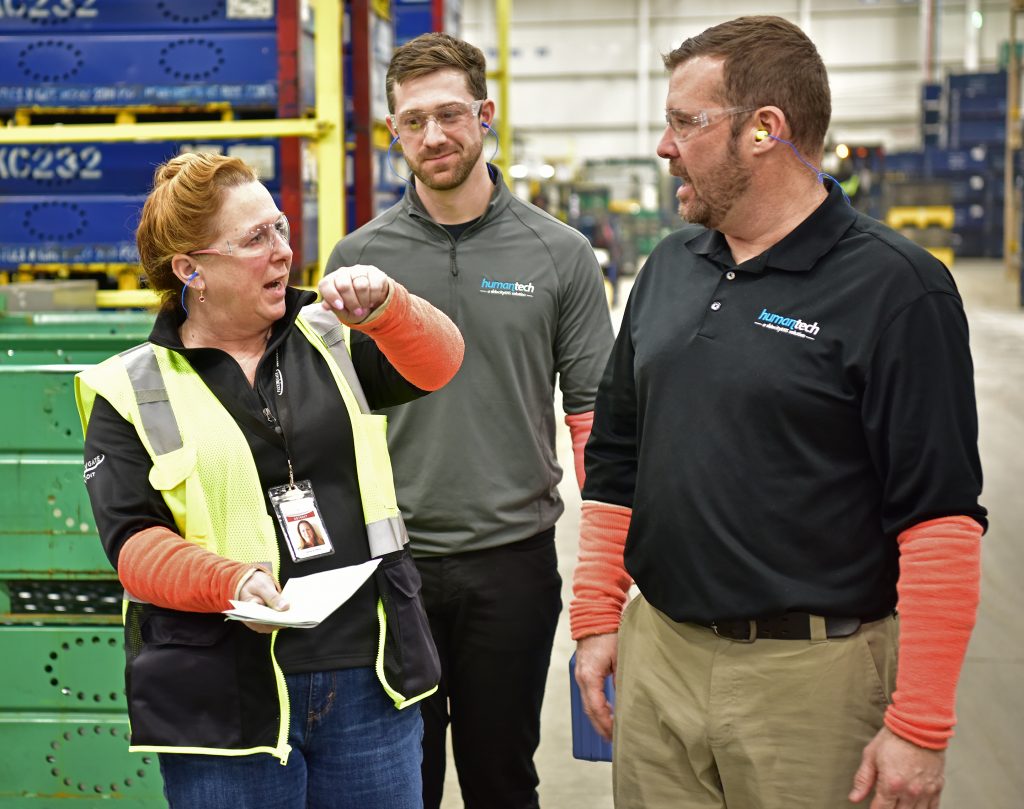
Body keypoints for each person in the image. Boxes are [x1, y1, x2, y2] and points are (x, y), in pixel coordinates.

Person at [570, 16, 986, 809]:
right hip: (657, 661)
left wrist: (921, 725)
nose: (665, 147)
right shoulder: (668, 267)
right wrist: (596, 615)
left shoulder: (897, 291)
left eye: (684, 123)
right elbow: (617, 455)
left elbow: (939, 522)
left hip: (811, 684)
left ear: (766, 130)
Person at [76, 152, 465, 809]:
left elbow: (439, 363)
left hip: (367, 677)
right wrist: (231, 580)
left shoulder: (330, 334)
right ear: (191, 269)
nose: (284, 251)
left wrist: (391, 307)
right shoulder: (130, 388)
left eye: (281, 228)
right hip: (223, 701)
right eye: (256, 238)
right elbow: (134, 546)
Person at [325, 32, 614, 809]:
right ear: (393, 133)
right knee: (395, 784)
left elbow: (596, 426)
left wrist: (610, 579)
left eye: (450, 115)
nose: (434, 137)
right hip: (389, 568)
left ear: (486, 114)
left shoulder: (560, 255)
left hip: (510, 564)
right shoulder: (360, 259)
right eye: (412, 122)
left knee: (501, 779)